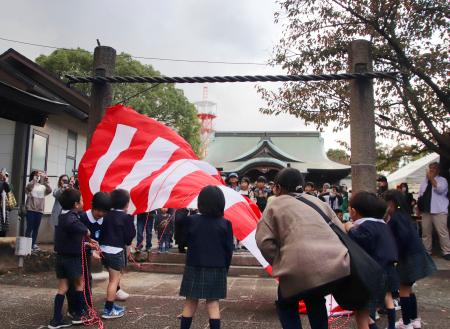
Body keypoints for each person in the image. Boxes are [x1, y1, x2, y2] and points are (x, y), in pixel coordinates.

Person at [256, 168, 371, 329]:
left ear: (278, 187)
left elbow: (264, 242)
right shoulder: (318, 202)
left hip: (296, 268)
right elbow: (340, 231)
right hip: (332, 266)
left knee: (286, 303)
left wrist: (281, 260)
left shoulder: (274, 205)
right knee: (315, 298)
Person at [179, 185, 234, 329]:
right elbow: (229, 250)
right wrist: (225, 269)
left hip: (194, 265)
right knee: (213, 303)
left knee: (190, 302)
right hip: (217, 267)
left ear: (200, 203)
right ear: (221, 203)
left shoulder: (191, 220)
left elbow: (182, 240)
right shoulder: (226, 223)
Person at [344, 192, 399, 329]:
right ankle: (391, 326)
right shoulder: (383, 225)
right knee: (381, 303)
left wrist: (350, 229)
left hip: (374, 274)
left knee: (364, 312)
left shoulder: (365, 226)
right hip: (389, 269)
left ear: (353, 211)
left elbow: (362, 240)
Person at [384, 190, 437, 329]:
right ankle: (414, 320)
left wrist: (394, 257)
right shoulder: (404, 216)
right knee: (409, 289)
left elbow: (401, 240)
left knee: (403, 290)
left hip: (407, 258)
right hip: (416, 255)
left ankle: (406, 323)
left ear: (391, 203)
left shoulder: (395, 218)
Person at [48, 188, 94, 328]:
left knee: (62, 287)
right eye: (81, 199)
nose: (83, 201)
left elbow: (69, 236)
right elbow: (80, 228)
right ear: (76, 204)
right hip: (72, 258)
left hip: (61, 257)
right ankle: (79, 315)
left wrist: (86, 242)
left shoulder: (61, 216)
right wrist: (87, 231)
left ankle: (56, 320)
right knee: (80, 284)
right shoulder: (72, 218)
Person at [99, 189, 136, 319]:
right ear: (126, 204)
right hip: (116, 251)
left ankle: (111, 306)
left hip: (103, 250)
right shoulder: (127, 218)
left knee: (112, 278)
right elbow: (129, 236)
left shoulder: (106, 215)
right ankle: (108, 309)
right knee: (114, 281)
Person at [417, 162, 450, 259]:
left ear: (438, 170)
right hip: (426, 210)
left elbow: (440, 190)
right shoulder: (424, 182)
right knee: (426, 232)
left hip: (439, 210)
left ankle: (447, 251)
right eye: (430, 168)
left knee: (442, 232)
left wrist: (431, 179)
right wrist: (419, 208)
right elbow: (420, 195)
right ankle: (427, 251)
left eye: (434, 168)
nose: (431, 170)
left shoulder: (442, 180)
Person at [25, 170, 52, 251]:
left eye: (40, 174)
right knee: (29, 227)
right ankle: (27, 245)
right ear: (33, 176)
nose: (39, 175)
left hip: (39, 210)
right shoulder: (31, 184)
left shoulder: (43, 186)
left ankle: (33, 244)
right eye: (37, 174)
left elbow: (49, 190)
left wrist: (45, 181)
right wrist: (34, 180)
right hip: (30, 209)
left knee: (36, 228)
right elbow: (28, 188)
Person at [0, 169, 11, 237]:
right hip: (1, 209)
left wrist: (5, 183)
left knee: (4, 228)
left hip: (5, 209)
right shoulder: (1, 184)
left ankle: (2, 245)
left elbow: (9, 192)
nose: (5, 177)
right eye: (4, 175)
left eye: (7, 176)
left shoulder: (8, 185)